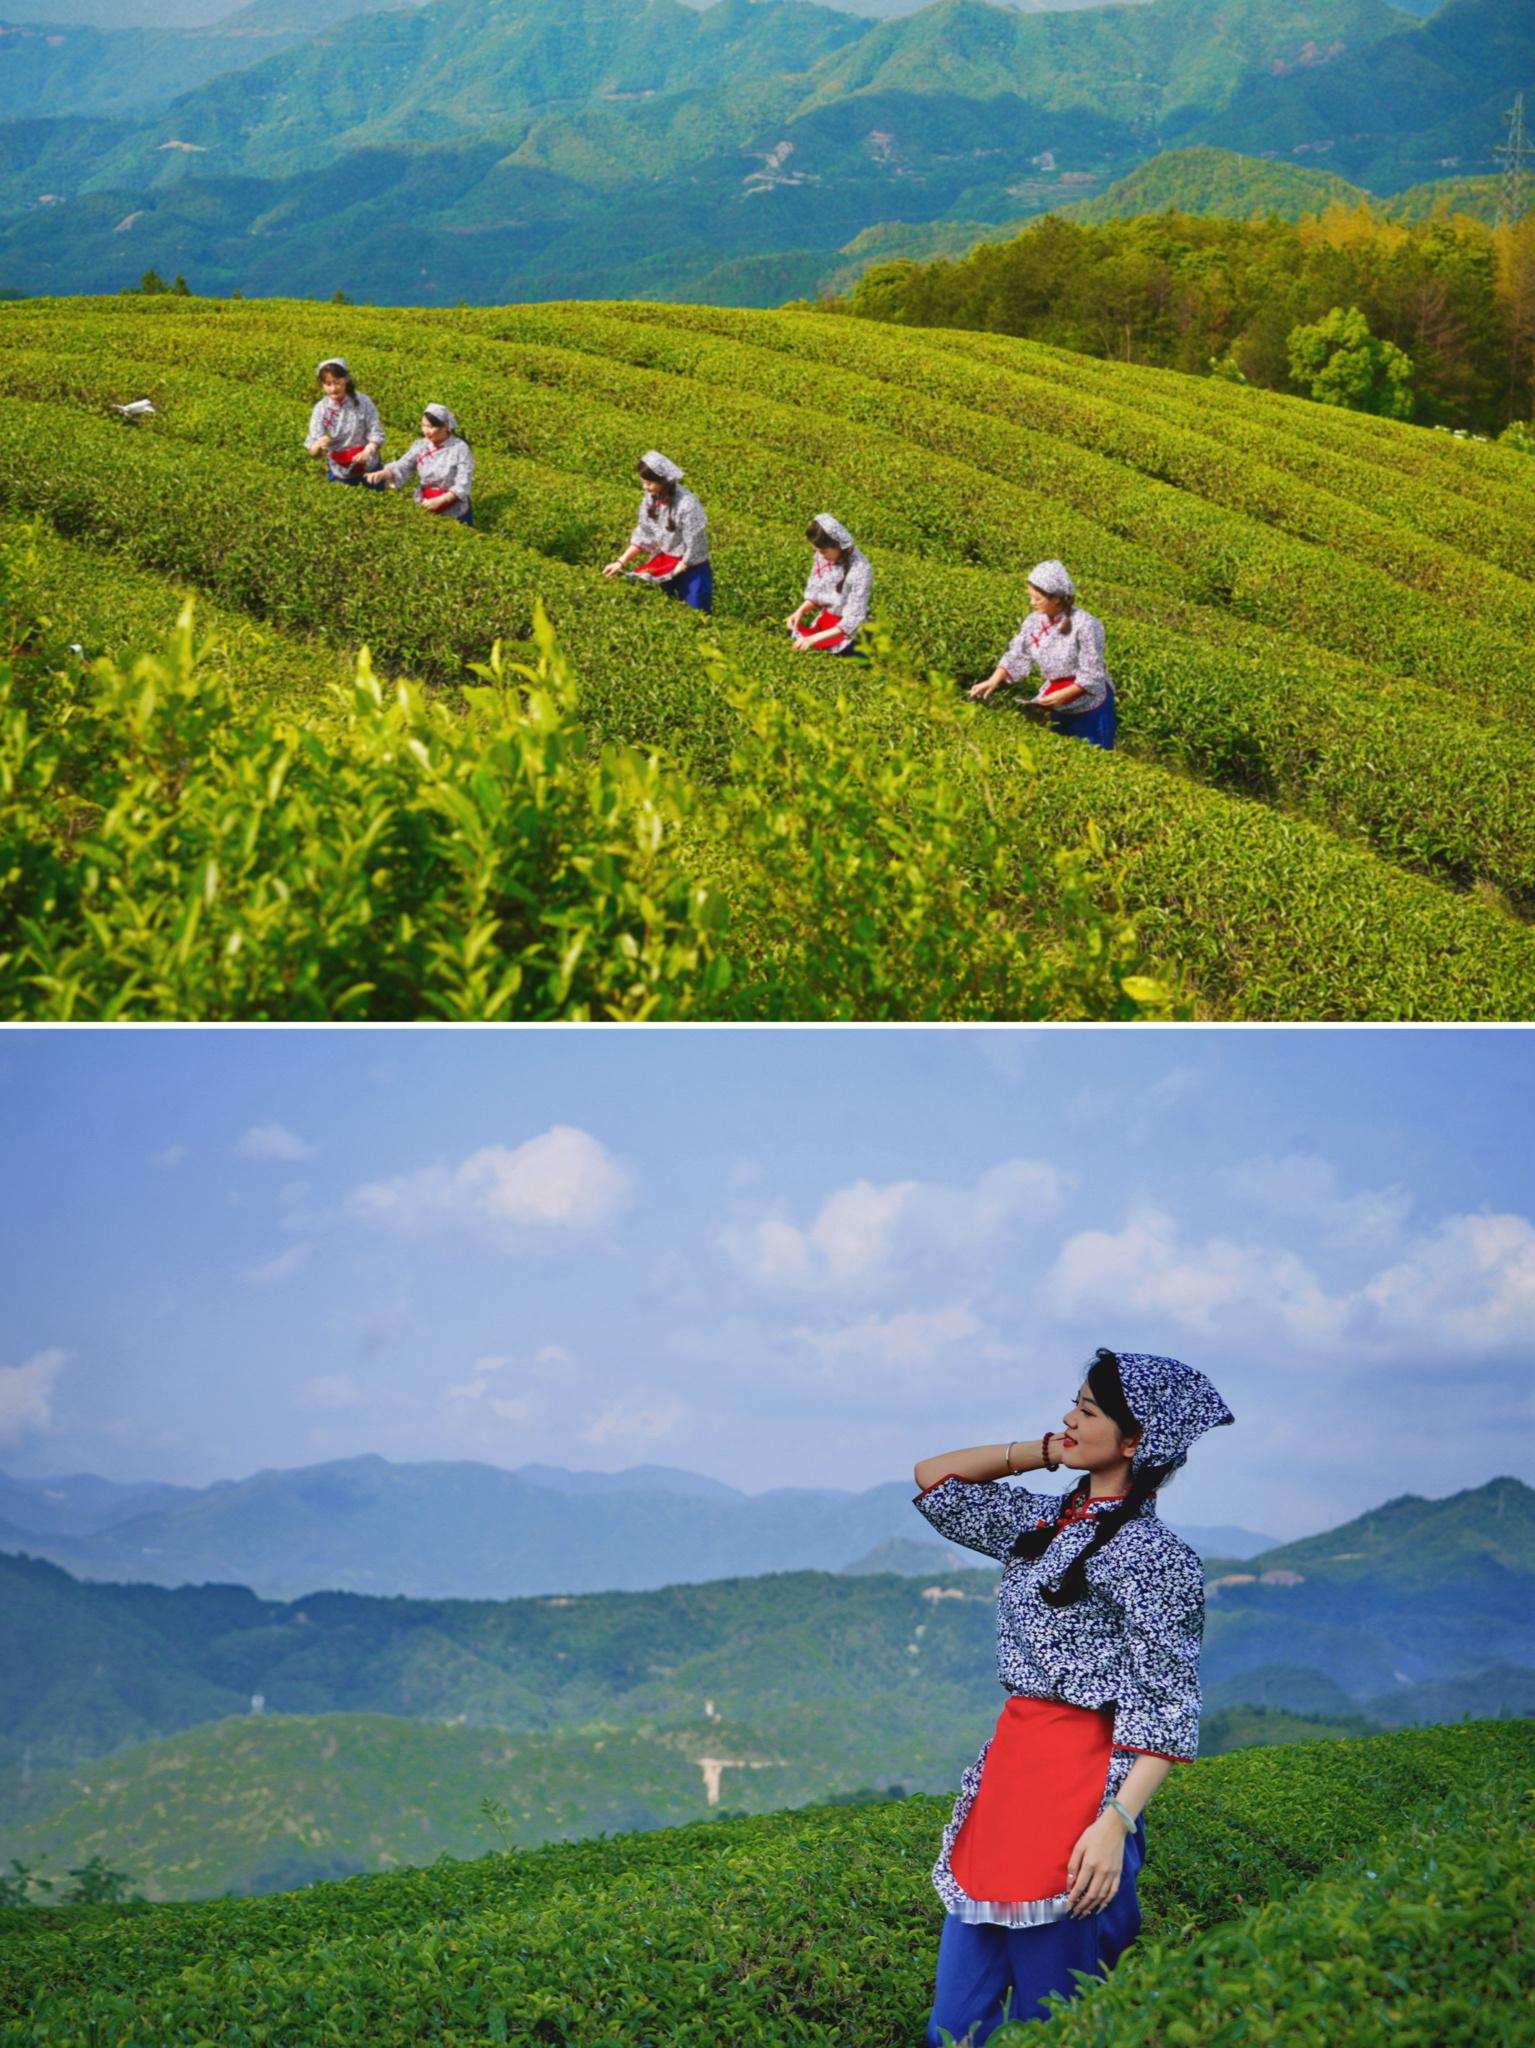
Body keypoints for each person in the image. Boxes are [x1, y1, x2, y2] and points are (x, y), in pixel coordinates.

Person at [912, 1348, 1235, 2046]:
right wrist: (1043, 1452)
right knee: (955, 2020)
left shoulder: (1155, 1555)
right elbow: (932, 1479)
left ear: (1135, 1439)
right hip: (1008, 1778)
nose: (1067, 1416)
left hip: (1082, 1789)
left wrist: (1114, 1823)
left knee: (1053, 2017)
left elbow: (1168, 1705)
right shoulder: (1041, 1524)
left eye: (1086, 1411)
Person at [968, 560, 1117, 749]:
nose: (1032, 603)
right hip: (1060, 699)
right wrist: (993, 679)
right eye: (1030, 597)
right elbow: (1017, 654)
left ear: (1056, 598)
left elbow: (1093, 673)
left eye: (1037, 599)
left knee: (1096, 756)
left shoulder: (1086, 625)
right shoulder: (1033, 621)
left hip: (1090, 705)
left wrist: (1063, 694)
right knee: (1062, 752)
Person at [603, 451, 712, 612]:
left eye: (649, 483)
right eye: (643, 482)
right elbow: (644, 533)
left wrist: (679, 567)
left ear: (664, 481)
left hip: (691, 568)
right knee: (664, 609)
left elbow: (695, 542)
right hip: (666, 561)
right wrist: (621, 562)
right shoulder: (651, 498)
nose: (644, 487)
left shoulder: (687, 505)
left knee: (696, 612)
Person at [365, 404, 474, 523]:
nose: (425, 431)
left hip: (453, 507)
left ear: (445, 426)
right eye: (423, 426)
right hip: (426, 502)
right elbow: (404, 464)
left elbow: (464, 482)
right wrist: (383, 473)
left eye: (431, 427)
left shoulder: (460, 448)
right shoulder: (421, 445)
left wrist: (441, 500)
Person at [786, 515, 872, 656]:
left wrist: (812, 639)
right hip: (826, 623)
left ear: (838, 545)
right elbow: (818, 591)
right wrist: (800, 611)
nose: (820, 556)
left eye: (823, 551)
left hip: (850, 637)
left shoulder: (861, 570)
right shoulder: (823, 556)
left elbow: (853, 620)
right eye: (817, 551)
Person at [304, 357, 384, 485]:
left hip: (370, 466)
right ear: (322, 384)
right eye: (328, 384)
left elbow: (376, 432)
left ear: (346, 379)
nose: (333, 388)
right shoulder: (321, 409)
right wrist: (318, 445)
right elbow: (312, 451)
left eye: (337, 382)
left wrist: (368, 451)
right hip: (340, 470)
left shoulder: (363, 401)